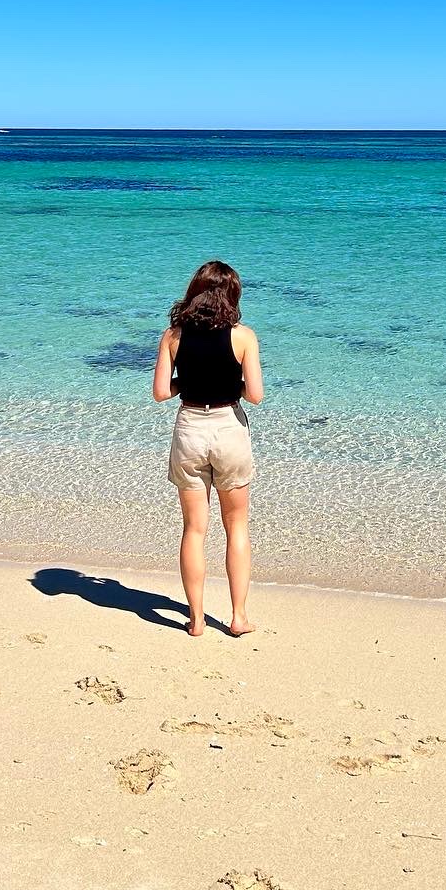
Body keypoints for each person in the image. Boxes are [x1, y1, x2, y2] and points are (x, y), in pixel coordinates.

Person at [152, 260, 264, 636]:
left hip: (190, 431)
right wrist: (228, 383)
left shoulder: (172, 336)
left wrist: (189, 382)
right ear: (232, 296)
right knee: (237, 528)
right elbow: (256, 396)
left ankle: (196, 619)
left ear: (194, 292)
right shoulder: (243, 336)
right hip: (228, 427)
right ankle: (238, 617)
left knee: (194, 530)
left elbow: (161, 393)